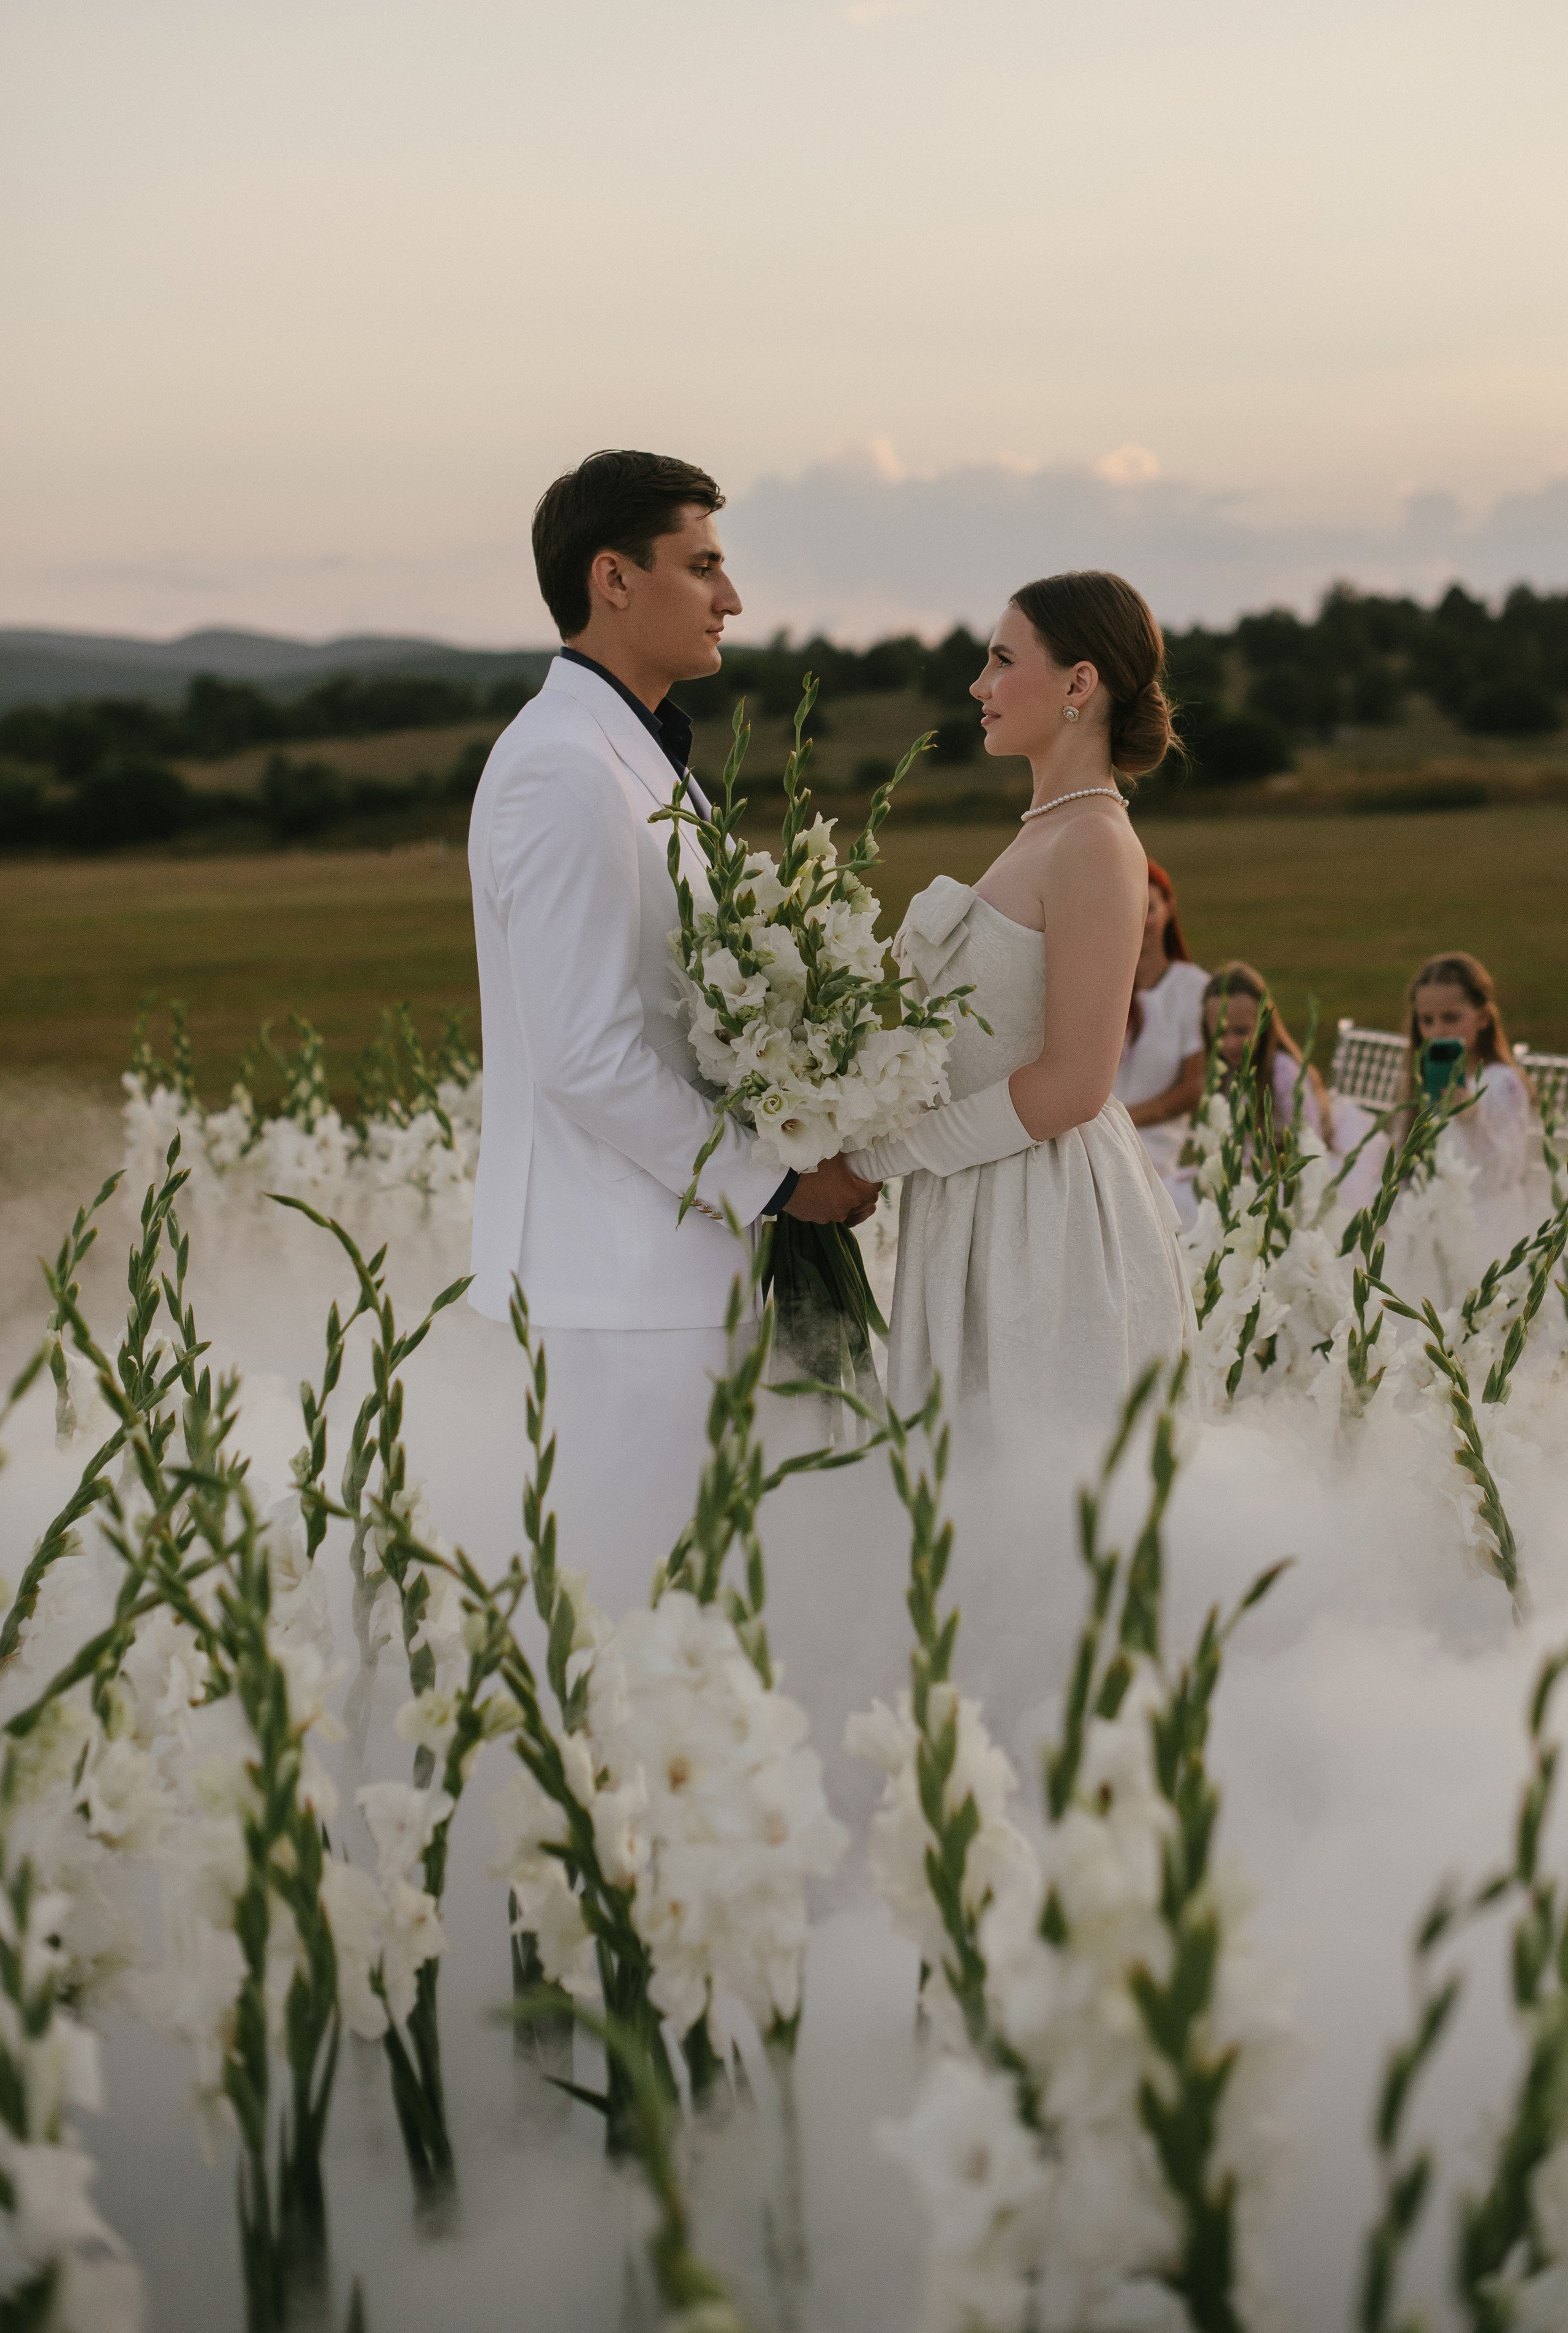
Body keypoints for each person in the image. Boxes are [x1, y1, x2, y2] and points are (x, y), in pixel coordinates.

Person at [466, 449, 878, 1609]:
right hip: (611, 1289)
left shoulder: (649, 762)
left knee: (698, 1605)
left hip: (672, 1273)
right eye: (703, 566)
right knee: (624, 1617)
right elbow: (584, 1052)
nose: (731, 598)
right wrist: (777, 1180)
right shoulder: (559, 769)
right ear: (614, 578)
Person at [843, 570, 1191, 1436]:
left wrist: (877, 1159)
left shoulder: (1097, 842)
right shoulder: (1043, 832)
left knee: (1033, 1490)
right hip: (975, 1200)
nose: (979, 686)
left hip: (1043, 1217)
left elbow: (1074, 1083)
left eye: (1002, 660)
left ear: (1080, 685)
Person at [1406, 951, 1537, 1191]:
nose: (1438, 1031)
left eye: (1452, 1018)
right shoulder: (1420, 1078)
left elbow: (1505, 1175)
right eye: (1426, 1020)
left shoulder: (1504, 1083)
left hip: (1492, 1216)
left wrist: (1470, 1118)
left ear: (1483, 1018)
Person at [1114, 862, 1210, 1177]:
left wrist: (1121, 1121)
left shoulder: (1194, 989)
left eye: (1150, 909)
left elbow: (1192, 1088)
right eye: (1129, 909)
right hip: (1090, 1144)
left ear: (1169, 908)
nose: (1140, 920)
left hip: (1154, 1151)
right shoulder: (1100, 984)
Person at [1200, 962, 1331, 1148]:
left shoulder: (1283, 1072)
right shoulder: (1224, 1072)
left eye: (1241, 1031)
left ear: (1264, 1024)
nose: (1231, 1043)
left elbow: (1309, 1140)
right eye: (1221, 1033)